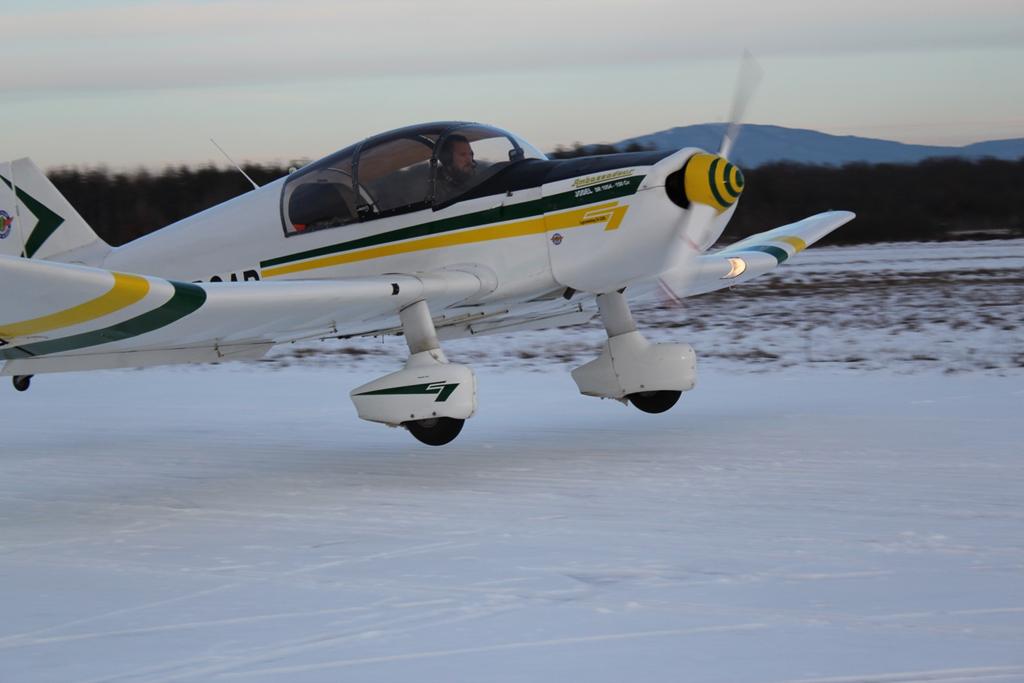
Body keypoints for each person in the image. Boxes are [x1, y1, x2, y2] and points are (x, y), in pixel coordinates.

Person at [436, 134, 476, 200]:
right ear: (448, 159)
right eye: (463, 155)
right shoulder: (435, 189)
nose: (470, 161)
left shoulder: (478, 176)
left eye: (470, 154)